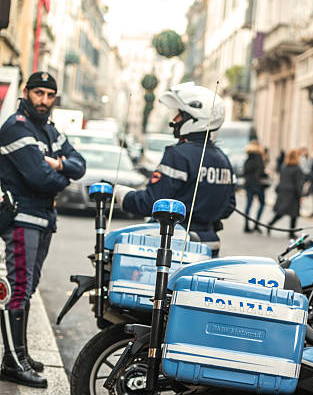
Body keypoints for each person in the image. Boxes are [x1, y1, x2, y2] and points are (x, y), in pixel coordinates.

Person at [0, 71, 86, 388]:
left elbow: (80, 163)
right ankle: (11, 361)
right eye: (38, 94)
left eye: (50, 95)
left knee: (29, 286)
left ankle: (20, 353)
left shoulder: (47, 129)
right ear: (26, 93)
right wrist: (60, 172)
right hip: (22, 218)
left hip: (43, 219)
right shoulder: (16, 128)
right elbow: (39, 178)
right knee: (18, 287)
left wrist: (59, 164)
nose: (44, 101)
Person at [115, 83, 236, 257]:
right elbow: (229, 207)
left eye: (180, 115)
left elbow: (151, 203)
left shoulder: (178, 155)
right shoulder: (222, 159)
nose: (175, 120)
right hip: (209, 245)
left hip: (174, 245)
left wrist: (121, 194)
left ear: (194, 118)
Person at [267, 149, 304, 239]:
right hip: (292, 193)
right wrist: (300, 195)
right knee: (294, 214)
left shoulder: (284, 167)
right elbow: (298, 183)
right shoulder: (297, 169)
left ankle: (270, 224)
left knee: (281, 212)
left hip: (283, 192)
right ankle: (291, 232)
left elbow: (281, 180)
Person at [242, 140, 267, 233]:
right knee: (262, 203)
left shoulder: (248, 157)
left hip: (248, 184)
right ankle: (256, 223)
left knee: (248, 204)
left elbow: (245, 171)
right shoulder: (259, 158)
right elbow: (260, 172)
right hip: (257, 184)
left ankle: (246, 225)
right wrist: (266, 174)